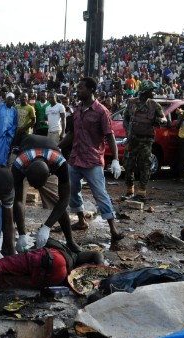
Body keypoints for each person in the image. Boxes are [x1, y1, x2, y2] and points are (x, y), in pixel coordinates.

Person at [59, 77, 124, 245]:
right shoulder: (78, 110)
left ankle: (113, 228)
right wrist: (57, 147)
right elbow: (72, 134)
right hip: (75, 158)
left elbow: (109, 136)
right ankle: (81, 220)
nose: (77, 90)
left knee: (100, 194)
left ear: (90, 90)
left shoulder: (102, 112)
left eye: (80, 88)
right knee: (72, 190)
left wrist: (115, 159)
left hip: (92, 160)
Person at [0, 238, 104, 295]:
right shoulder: (79, 277)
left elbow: (97, 255)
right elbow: (98, 258)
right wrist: (96, 274)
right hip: (56, 279)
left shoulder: (77, 254)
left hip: (53, 258)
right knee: (1, 282)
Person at [12, 134, 80, 253]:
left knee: (56, 200)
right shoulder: (19, 165)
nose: (36, 189)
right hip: (27, 153)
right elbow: (17, 200)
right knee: (16, 200)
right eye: (33, 186)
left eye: (39, 186)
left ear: (49, 174)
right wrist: (22, 233)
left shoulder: (60, 163)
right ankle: (13, 239)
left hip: (49, 159)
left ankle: (70, 241)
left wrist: (47, 227)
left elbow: (64, 199)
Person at [0, 92, 18, 167]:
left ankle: (3, 166)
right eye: (9, 99)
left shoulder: (14, 111)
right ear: (6, 99)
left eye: (12, 100)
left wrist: (11, 132)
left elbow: (15, 124)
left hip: (7, 136)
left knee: (6, 152)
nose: (11, 101)